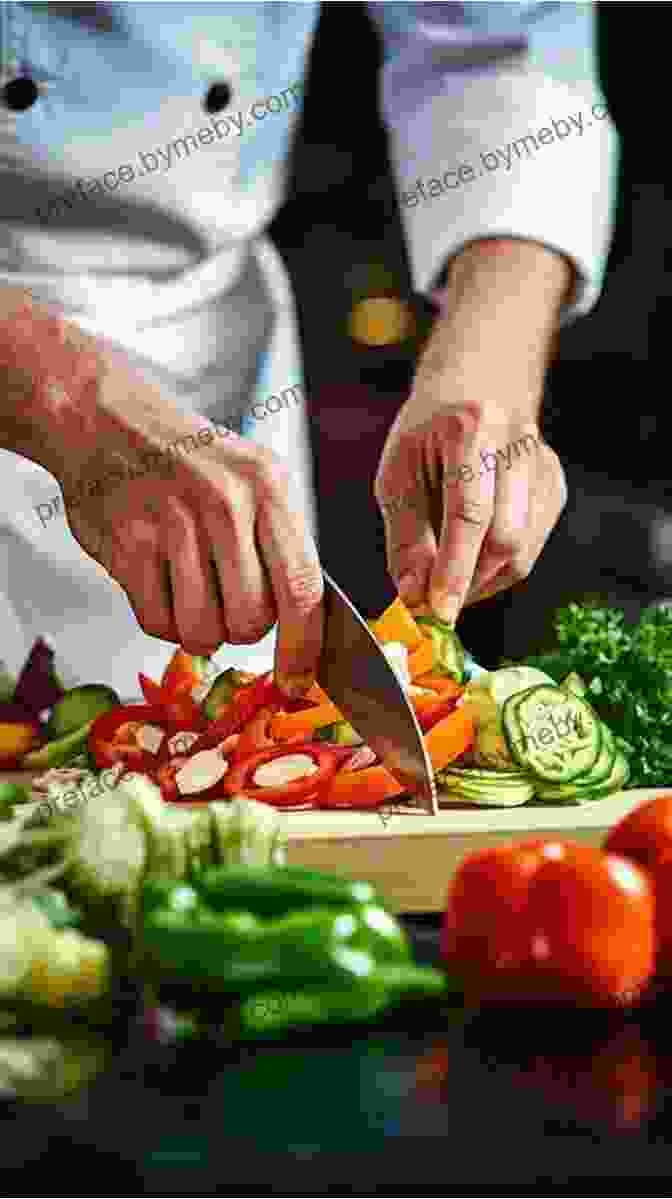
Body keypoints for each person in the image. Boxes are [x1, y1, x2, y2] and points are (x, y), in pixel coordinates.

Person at [0, 2, 617, 698]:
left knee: (174, 760)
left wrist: (489, 364)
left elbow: (504, 45)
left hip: (197, 339)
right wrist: (63, 394)